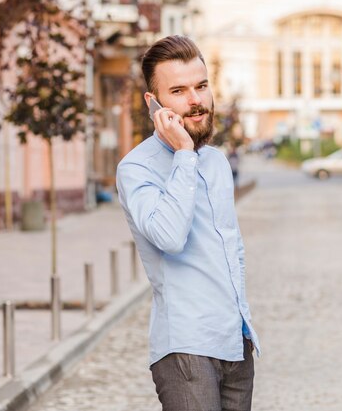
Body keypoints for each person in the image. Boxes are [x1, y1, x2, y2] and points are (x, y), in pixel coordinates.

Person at [116, 35, 260, 411]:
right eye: (178, 91)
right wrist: (182, 153)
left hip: (235, 342)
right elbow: (169, 237)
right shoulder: (136, 168)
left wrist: (244, 325)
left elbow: (232, 246)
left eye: (201, 86)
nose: (195, 101)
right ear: (154, 103)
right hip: (185, 348)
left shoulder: (215, 162)